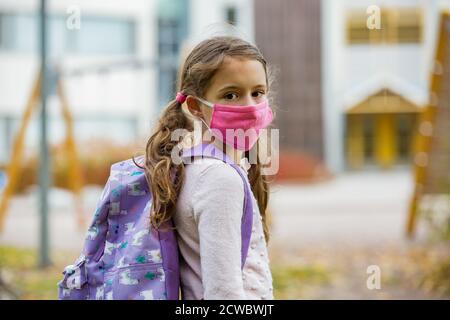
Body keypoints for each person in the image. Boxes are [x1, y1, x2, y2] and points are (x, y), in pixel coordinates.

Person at [141, 35, 275, 299]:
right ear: (195, 106)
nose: (249, 106)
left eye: (257, 92)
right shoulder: (219, 178)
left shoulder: (192, 163)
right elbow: (223, 294)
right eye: (231, 95)